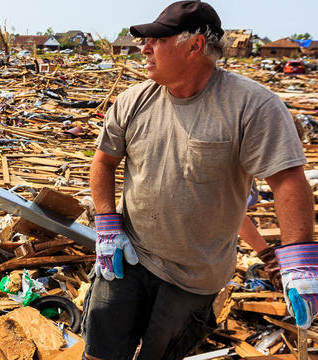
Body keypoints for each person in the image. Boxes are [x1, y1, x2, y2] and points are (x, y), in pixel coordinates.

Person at [84, 1, 315, 359]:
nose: (143, 48)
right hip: (128, 258)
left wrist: (299, 260)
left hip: (193, 277)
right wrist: (107, 223)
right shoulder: (133, 101)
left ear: (194, 46)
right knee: (100, 352)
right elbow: (103, 162)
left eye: (157, 40)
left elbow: (287, 180)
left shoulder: (251, 106)